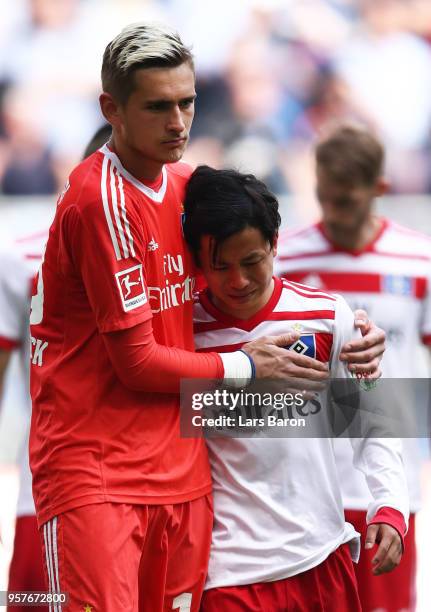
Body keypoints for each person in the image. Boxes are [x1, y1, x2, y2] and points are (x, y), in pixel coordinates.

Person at [29, 24, 385, 612]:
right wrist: (246, 365)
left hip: (184, 475)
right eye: (158, 106)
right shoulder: (101, 202)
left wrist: (345, 323)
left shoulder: (188, 185)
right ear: (110, 110)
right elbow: (138, 363)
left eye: (187, 102)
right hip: (98, 479)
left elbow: (255, 248)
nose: (178, 123)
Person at [181, 164, 409, 611]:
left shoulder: (327, 315)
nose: (238, 281)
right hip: (228, 575)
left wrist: (390, 504)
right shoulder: (183, 331)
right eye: (220, 266)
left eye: (252, 262)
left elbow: (372, 421)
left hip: (322, 557)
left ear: (274, 245)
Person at [275, 123, 431, 611]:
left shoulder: (419, 260)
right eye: (324, 197)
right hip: (309, 486)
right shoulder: (285, 259)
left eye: (345, 200)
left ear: (379, 190)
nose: (332, 212)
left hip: (390, 484)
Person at [0, 123, 112, 612]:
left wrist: (359, 410)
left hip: (165, 492)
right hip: (49, 495)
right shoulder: (21, 260)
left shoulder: (185, 264)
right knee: (31, 602)